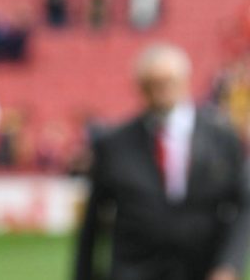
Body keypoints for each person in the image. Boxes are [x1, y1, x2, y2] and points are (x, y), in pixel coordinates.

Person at [74, 43, 250, 280]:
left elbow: (242, 206)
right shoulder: (114, 145)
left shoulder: (223, 139)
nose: (162, 89)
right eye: (153, 83)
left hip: (202, 268)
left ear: (185, 80)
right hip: (134, 270)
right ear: (140, 87)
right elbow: (93, 223)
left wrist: (229, 265)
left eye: (169, 81)